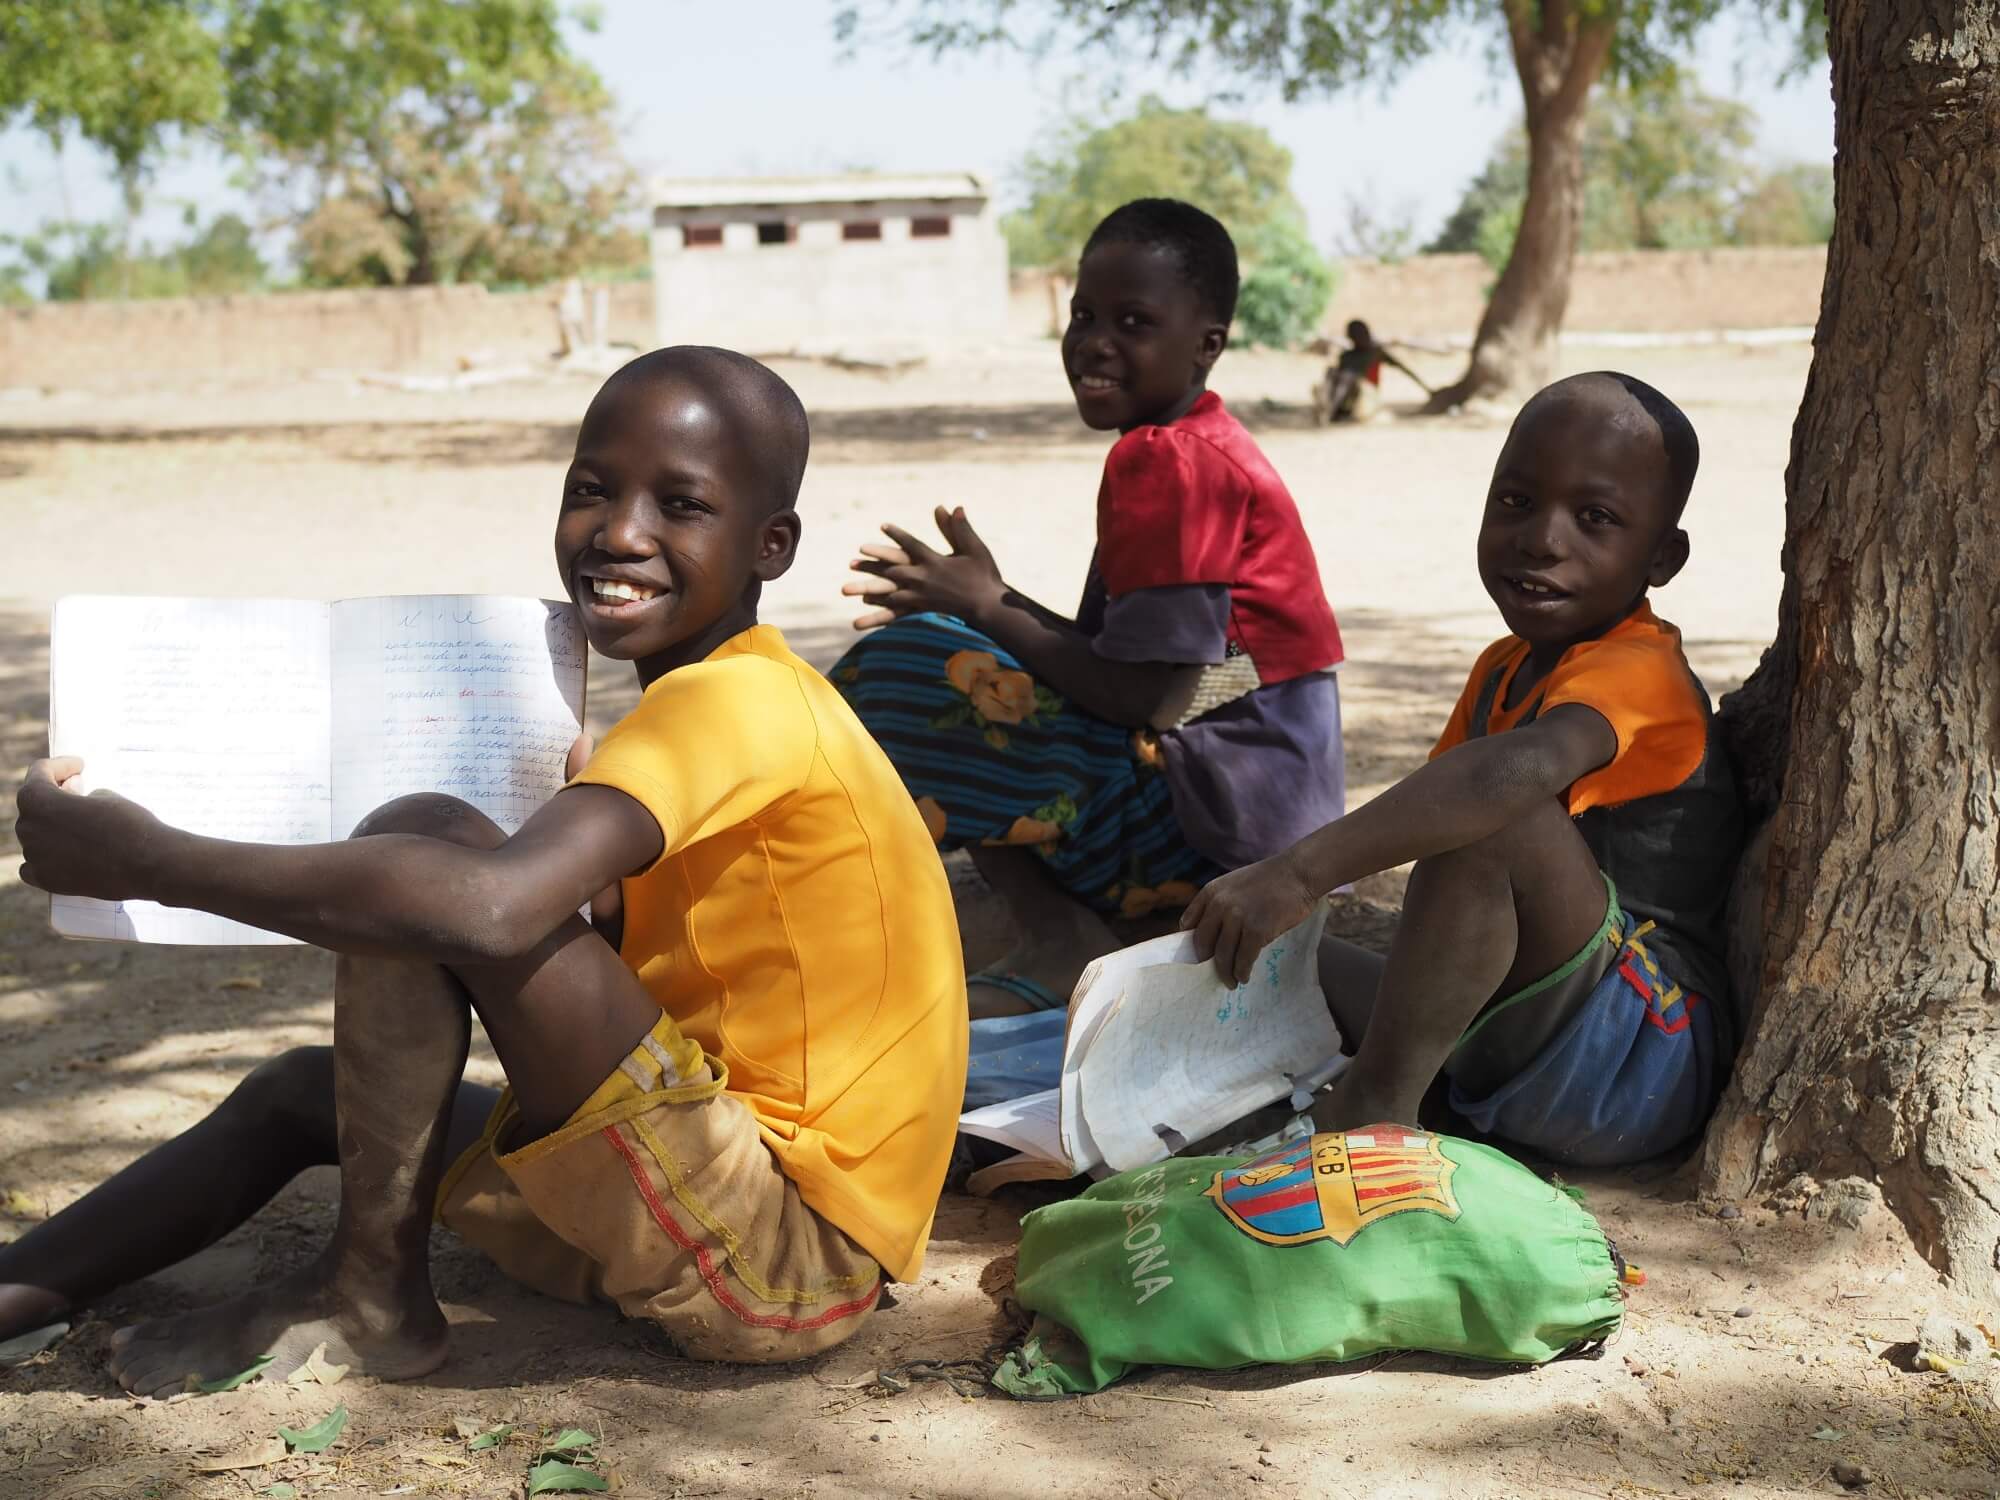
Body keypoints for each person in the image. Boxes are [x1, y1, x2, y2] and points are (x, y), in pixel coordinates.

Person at [5, 347, 967, 1395]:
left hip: (786, 1257)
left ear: (769, 545)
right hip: (728, 1208)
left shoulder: (735, 701)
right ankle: (17, 1290)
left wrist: (149, 861)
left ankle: (368, 1297)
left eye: (681, 504)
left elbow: (493, 911)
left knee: (435, 854)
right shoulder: (731, 701)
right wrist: (594, 910)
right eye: (591, 490)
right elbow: (673, 961)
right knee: (301, 1092)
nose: (621, 532)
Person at [1182, 372, 1744, 1167]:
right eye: (1516, 501)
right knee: (1254, 962)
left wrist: (1300, 872)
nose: (1543, 539)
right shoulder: (1502, 666)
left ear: (1663, 557)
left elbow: (1504, 783)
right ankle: (1383, 1094)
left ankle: (1370, 1114)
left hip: (1637, 1055)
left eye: (1595, 518)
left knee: (1497, 815)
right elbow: (1440, 839)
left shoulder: (1640, 671)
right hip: (1520, 1038)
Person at [833, 198, 1346, 1018]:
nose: (1095, 342)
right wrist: (991, 602)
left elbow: (1148, 698)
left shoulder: (1167, 463)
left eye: (1134, 322)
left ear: (1207, 344)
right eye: (1083, 316)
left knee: (908, 665)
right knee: (960, 646)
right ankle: (1065, 918)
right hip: (1258, 818)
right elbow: (1161, 673)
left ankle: (1055, 932)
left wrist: (989, 607)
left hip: (1215, 837)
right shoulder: (1202, 447)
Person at [1314, 319, 1428, 424]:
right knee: (1332, 372)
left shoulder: (1375, 353)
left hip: (1367, 398)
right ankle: (1332, 408)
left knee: (1348, 377)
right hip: (1347, 399)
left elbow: (1403, 369)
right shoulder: (1347, 356)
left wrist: (1427, 389)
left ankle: (1331, 411)